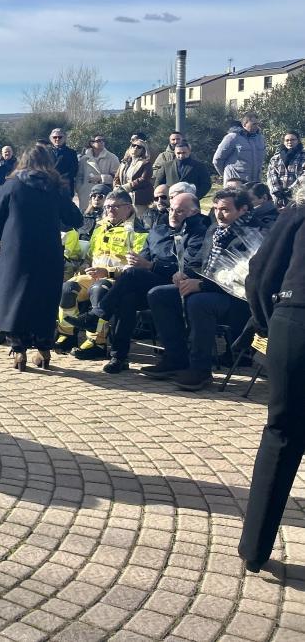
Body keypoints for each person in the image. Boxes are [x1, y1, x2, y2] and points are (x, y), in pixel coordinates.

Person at [238, 187, 305, 575]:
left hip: (294, 321)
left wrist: (268, 323)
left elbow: (261, 273)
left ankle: (254, 548)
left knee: (280, 432)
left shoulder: (299, 210)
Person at [68, 192, 210, 373]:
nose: (173, 214)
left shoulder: (199, 233)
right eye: (171, 210)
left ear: (194, 212)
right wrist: (139, 263)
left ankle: (97, 315)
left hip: (178, 283)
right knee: (127, 296)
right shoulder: (159, 230)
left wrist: (151, 266)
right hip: (149, 281)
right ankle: (118, 357)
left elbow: (190, 268)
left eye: (180, 211)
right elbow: (144, 257)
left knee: (131, 278)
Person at [144, 188, 267, 390]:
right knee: (158, 295)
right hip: (210, 290)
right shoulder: (214, 230)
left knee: (198, 302)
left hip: (239, 301)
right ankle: (175, 358)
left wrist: (201, 285)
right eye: (216, 208)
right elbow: (199, 262)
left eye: (225, 209)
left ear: (243, 209)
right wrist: (184, 274)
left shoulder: (257, 233)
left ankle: (200, 369)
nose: (218, 214)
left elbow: (246, 278)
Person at [0, 144, 84, 370]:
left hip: (17, 251)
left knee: (16, 298)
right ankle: (43, 349)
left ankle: (19, 350)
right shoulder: (55, 187)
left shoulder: (12, 185)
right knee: (44, 298)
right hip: (47, 250)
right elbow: (75, 218)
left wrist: (6, 236)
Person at [54, 190, 149, 359]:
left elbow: (135, 268)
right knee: (68, 288)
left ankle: (97, 342)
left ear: (128, 208)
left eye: (115, 207)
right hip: (94, 274)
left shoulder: (138, 232)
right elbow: (91, 255)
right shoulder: (100, 227)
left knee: (98, 290)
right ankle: (67, 335)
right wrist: (85, 266)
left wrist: (108, 272)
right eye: (107, 207)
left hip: (117, 279)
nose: (109, 210)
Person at [214, 112, 266, 183]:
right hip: (236, 183)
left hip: (255, 183)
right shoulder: (232, 138)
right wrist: (227, 176)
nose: (256, 126)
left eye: (257, 124)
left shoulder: (260, 139)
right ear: (244, 124)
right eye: (254, 124)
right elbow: (217, 160)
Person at [78, 135, 120, 212]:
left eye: (103, 140)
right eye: (98, 141)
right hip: (86, 194)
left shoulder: (112, 157)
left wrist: (101, 178)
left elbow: (117, 177)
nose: (101, 142)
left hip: (103, 195)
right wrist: (80, 190)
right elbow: (79, 177)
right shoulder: (84, 159)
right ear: (91, 143)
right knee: (86, 215)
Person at [115, 140, 155, 219]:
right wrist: (116, 187)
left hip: (138, 198)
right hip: (123, 196)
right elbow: (116, 178)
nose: (135, 148)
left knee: (138, 220)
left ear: (143, 150)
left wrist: (127, 187)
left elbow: (144, 179)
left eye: (139, 147)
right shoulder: (124, 163)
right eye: (133, 145)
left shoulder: (146, 163)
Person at [267, 130, 303, 206]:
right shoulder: (275, 158)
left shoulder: (303, 156)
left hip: (299, 195)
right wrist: (276, 191)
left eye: (292, 140)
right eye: (287, 140)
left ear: (298, 141)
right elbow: (271, 175)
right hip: (279, 198)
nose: (290, 142)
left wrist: (290, 190)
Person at [50, 128, 80, 199]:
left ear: (65, 138)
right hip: (49, 187)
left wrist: (59, 179)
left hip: (66, 188)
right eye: (55, 137)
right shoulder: (45, 152)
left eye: (60, 137)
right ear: (51, 139)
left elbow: (74, 170)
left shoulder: (71, 153)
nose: (57, 139)